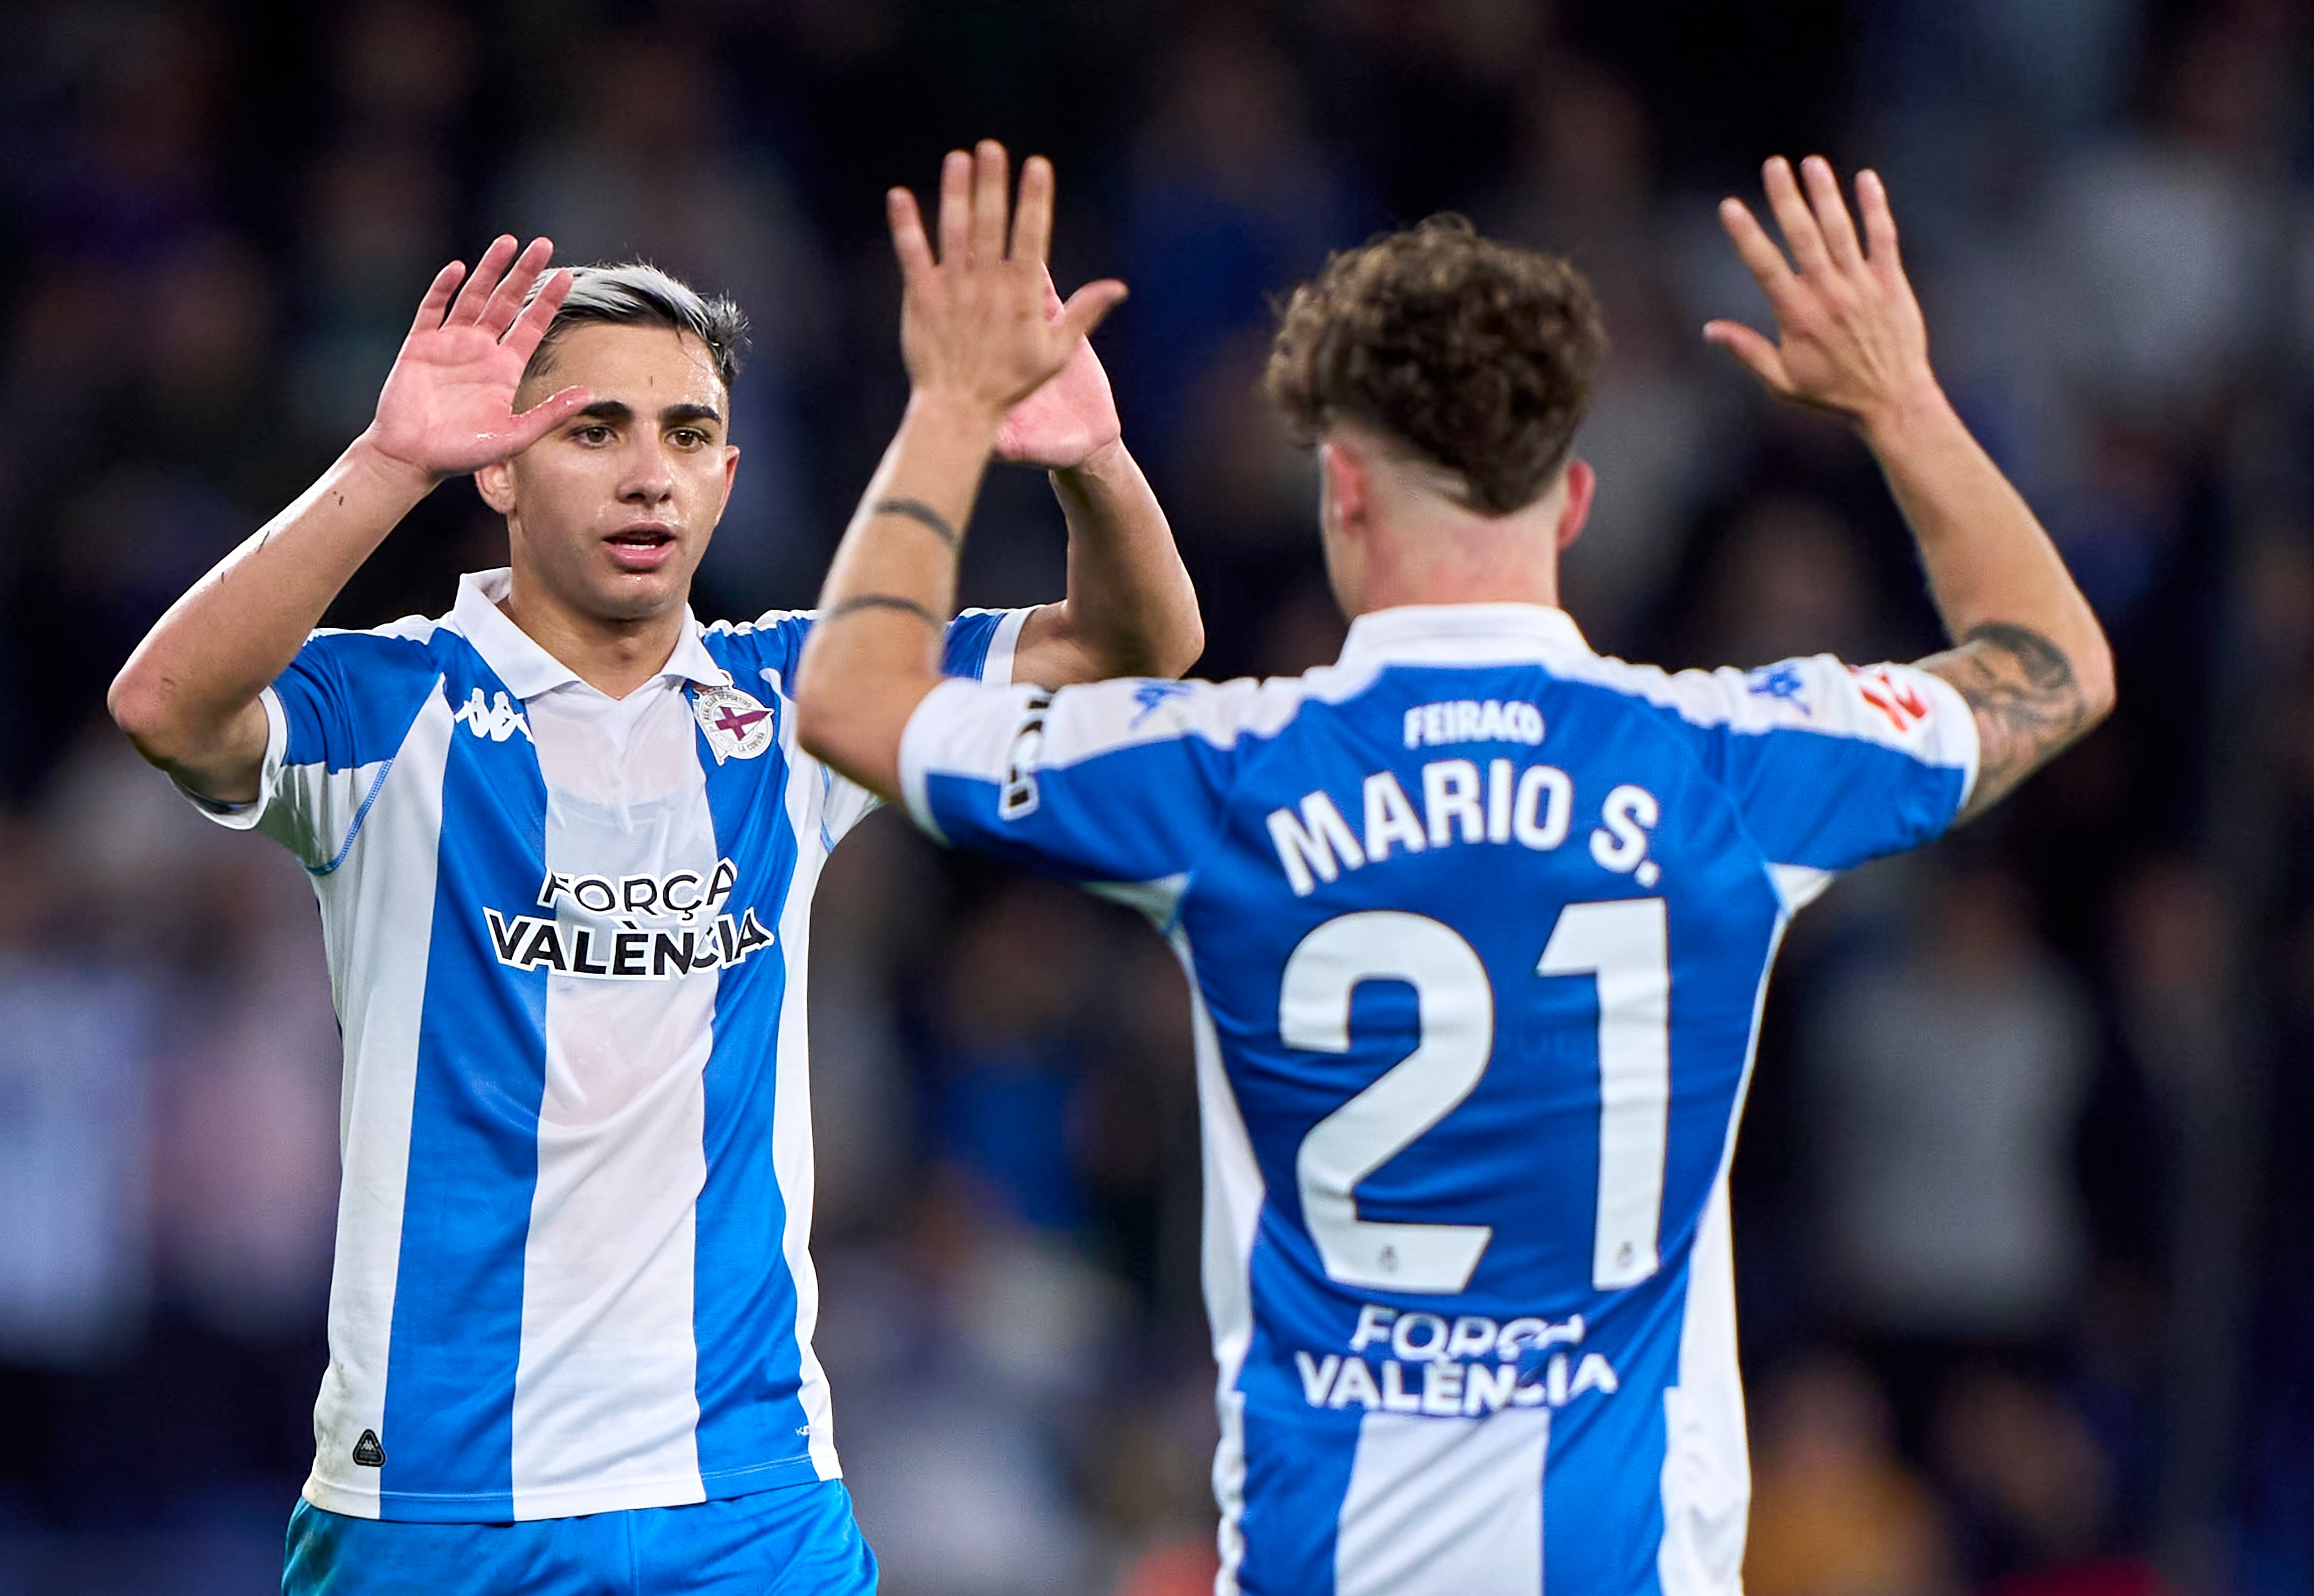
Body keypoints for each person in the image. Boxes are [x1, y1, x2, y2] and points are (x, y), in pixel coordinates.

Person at [793, 149, 2115, 1596]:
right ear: (1573, 501)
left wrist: (953, 406)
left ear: (1341, 490)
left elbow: (852, 701)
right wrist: (1898, 399)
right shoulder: (1734, 764)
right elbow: (2051, 667)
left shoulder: (1221, 771)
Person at [105, 205, 1201, 1589]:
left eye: (686, 436)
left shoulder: (801, 696)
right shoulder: (390, 707)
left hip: (744, 1492)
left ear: (730, 475)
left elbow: (1131, 648)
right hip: (441, 1500)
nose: (647, 476)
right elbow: (164, 705)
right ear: (500, 467)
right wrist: (387, 465)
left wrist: (1090, 462)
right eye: (593, 429)